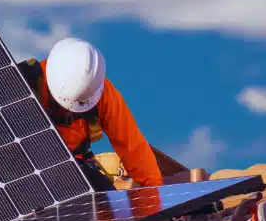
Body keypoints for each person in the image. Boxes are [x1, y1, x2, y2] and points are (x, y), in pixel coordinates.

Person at [19, 37, 163, 191]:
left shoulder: (101, 92)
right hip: (23, 167)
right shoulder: (21, 84)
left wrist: (156, 191)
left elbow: (130, 144)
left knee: (107, 208)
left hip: (77, 170)